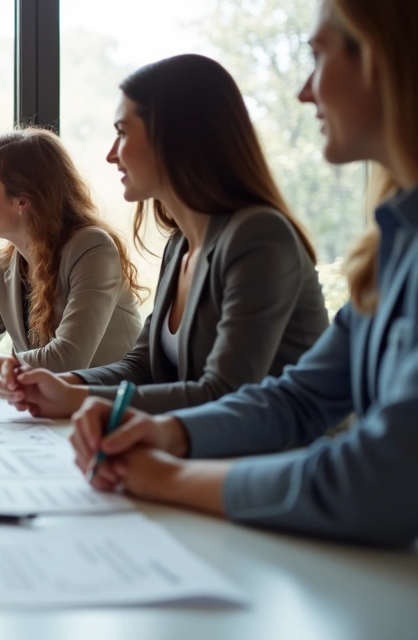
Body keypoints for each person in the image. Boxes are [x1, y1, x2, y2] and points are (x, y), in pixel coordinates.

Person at [65, 0, 418, 548]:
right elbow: (295, 398)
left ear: (380, 59)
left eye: (319, 56)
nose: (305, 91)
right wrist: (168, 432)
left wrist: (169, 474)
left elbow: (378, 479)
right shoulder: (393, 249)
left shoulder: (259, 235)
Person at [0, 54, 330, 416]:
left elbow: (224, 393)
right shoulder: (181, 244)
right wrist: (64, 384)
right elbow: (144, 366)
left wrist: (76, 399)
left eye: (122, 133)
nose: (111, 155)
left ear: (173, 139)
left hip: (290, 460)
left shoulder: (259, 237)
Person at [0, 128, 144, 388]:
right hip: (46, 413)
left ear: (22, 201)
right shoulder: (0, 266)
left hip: (112, 410)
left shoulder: (93, 249)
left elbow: (67, 360)